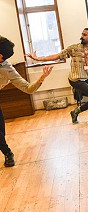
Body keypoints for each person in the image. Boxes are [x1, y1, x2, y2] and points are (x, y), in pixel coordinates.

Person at [0, 36, 53, 167]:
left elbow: (28, 88)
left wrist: (41, 78)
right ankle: (8, 152)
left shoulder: (7, 69)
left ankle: (8, 153)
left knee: (1, 132)